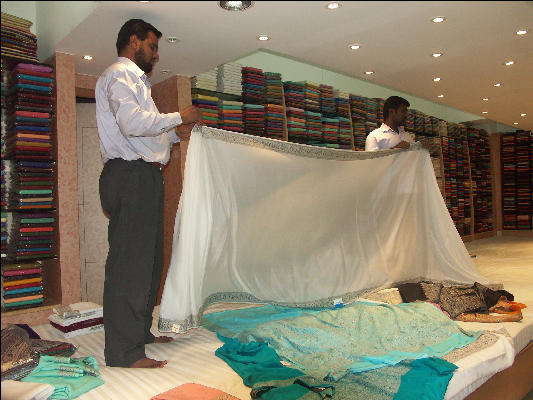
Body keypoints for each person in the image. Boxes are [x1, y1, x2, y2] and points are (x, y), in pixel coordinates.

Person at [95, 19, 202, 368]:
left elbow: (147, 133)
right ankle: (123, 353)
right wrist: (177, 116)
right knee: (130, 266)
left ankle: (138, 333)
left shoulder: (139, 85)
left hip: (143, 176)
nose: (156, 55)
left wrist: (176, 132)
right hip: (130, 175)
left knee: (149, 262)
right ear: (133, 41)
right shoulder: (119, 75)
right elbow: (132, 124)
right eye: (152, 46)